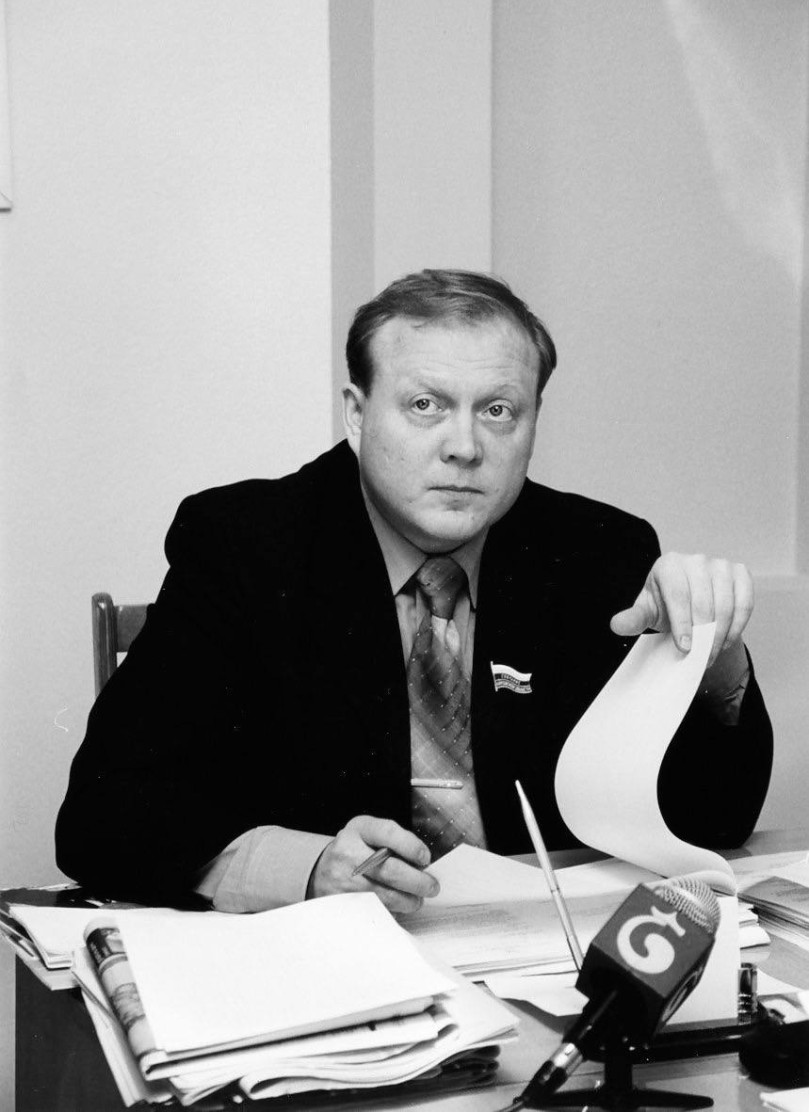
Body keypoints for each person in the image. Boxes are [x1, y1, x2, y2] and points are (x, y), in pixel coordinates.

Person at [55, 270, 772, 914]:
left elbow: (711, 822)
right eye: (426, 404)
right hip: (329, 963)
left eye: (498, 411)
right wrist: (309, 868)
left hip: (538, 956)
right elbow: (102, 815)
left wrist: (711, 659)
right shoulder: (245, 545)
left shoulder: (598, 551)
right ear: (356, 413)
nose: (464, 446)